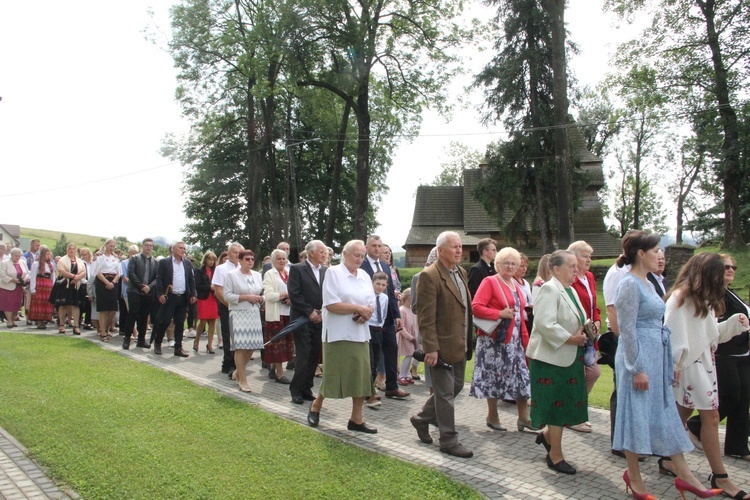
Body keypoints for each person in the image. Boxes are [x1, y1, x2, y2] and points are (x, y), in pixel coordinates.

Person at [612, 230, 720, 500]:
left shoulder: (649, 283)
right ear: (641, 253)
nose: (661, 254)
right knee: (636, 415)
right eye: (656, 249)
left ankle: (687, 477)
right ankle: (634, 477)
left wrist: (668, 361)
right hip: (637, 358)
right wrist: (637, 368)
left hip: (657, 356)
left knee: (664, 415)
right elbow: (627, 330)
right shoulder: (629, 284)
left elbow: (660, 325)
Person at [664, 252, 750, 499]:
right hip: (688, 367)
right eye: (719, 272)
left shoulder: (705, 300)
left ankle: (669, 460)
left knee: (680, 415)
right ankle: (720, 476)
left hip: (704, 364)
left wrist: (734, 323)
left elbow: (710, 336)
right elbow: (672, 337)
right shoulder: (680, 299)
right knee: (711, 417)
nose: (722, 277)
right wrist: (674, 367)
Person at [410, 231, 474, 458]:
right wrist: (431, 349)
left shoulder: (461, 272)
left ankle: (421, 418)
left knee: (455, 387)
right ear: (440, 250)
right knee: (446, 394)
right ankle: (448, 440)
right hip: (441, 346)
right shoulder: (429, 275)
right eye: (454, 247)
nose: (459, 250)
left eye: (460, 246)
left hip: (460, 344)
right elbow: (425, 318)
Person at [526, 250, 587, 475]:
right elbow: (544, 324)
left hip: (570, 357)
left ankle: (547, 437)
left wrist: (588, 328)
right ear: (556, 269)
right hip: (551, 360)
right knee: (556, 408)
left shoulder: (569, 290)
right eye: (571, 266)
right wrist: (571, 338)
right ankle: (555, 455)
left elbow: (577, 318)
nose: (576, 270)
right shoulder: (549, 289)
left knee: (567, 404)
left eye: (576, 266)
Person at [307, 240, 377, 433]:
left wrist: (366, 313)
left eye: (362, 256)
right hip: (338, 333)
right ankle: (316, 405)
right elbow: (331, 304)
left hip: (360, 333)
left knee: (361, 376)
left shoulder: (363, 275)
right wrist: (358, 308)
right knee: (333, 374)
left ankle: (356, 419)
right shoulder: (333, 273)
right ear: (344, 254)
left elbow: (371, 302)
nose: (360, 259)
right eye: (356, 255)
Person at [687, 254, 750, 463]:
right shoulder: (714, 296)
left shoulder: (730, 293)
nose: (730, 270)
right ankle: (695, 426)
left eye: (733, 266)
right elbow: (714, 328)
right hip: (724, 353)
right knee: (730, 394)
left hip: (742, 353)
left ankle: (737, 445)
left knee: (743, 399)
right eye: (725, 267)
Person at [471, 246, 535, 433]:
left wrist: (526, 340)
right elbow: (476, 307)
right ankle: (492, 415)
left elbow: (519, 317)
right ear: (497, 264)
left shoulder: (516, 285)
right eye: (506, 262)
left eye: (513, 263)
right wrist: (499, 313)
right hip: (494, 342)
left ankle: (524, 418)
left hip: (515, 342)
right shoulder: (490, 282)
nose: (510, 266)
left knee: (522, 377)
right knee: (494, 378)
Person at [360, 235, 409, 400]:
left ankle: (392, 387)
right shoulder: (362, 266)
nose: (377, 249)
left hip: (387, 318)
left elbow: (391, 292)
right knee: (372, 356)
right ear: (367, 247)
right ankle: (369, 391)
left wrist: (397, 314)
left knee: (391, 351)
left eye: (379, 246)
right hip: (369, 319)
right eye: (373, 245)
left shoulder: (386, 267)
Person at [567, 240, 602, 432]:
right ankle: (573, 415)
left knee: (593, 372)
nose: (588, 259)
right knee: (579, 375)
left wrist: (597, 321)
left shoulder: (589, 277)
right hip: (576, 334)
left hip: (590, 335)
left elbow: (594, 306)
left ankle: (576, 410)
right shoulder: (570, 278)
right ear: (574, 257)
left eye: (590, 256)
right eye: (584, 256)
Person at [288, 240, 327, 404]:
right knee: (304, 354)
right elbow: (294, 293)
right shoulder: (297, 269)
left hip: (320, 318)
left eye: (325, 252)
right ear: (311, 253)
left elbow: (329, 292)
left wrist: (322, 311)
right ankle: (296, 389)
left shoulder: (326, 271)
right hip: (302, 319)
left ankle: (306, 388)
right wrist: (309, 311)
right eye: (322, 252)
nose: (325, 255)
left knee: (314, 355)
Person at [223, 249, 264, 392]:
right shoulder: (232, 275)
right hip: (239, 313)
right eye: (247, 259)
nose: (250, 261)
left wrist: (261, 299)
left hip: (254, 313)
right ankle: (243, 379)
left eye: (252, 259)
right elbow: (227, 296)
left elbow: (261, 292)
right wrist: (245, 297)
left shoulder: (258, 275)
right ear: (239, 260)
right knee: (240, 346)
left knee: (251, 345)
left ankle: (237, 372)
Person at [151, 241, 197, 357]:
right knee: (165, 321)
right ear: (173, 249)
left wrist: (193, 294)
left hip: (182, 297)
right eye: (180, 248)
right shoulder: (164, 262)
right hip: (170, 296)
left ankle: (178, 348)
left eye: (184, 249)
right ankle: (158, 343)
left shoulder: (187, 264)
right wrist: (160, 294)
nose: (183, 250)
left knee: (180, 323)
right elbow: (159, 279)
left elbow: (191, 280)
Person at [262, 249, 294, 383]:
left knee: (286, 343)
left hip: (288, 313)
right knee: (278, 344)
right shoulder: (270, 274)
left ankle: (274, 369)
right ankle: (279, 373)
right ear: (273, 261)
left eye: (284, 258)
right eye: (279, 259)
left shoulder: (289, 273)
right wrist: (284, 296)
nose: (282, 261)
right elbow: (268, 295)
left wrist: (291, 298)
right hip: (276, 314)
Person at [213, 243, 243, 374]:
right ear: (228, 253)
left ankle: (237, 363)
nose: (237, 255)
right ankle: (229, 364)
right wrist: (229, 304)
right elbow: (218, 290)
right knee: (228, 335)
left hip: (242, 306)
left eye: (239, 253)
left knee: (239, 336)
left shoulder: (243, 267)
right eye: (234, 252)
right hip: (227, 306)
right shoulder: (221, 268)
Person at [123, 239, 157, 349]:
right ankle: (127, 338)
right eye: (146, 245)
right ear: (142, 246)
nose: (148, 247)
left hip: (148, 292)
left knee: (144, 316)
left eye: (150, 246)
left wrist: (149, 287)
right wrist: (141, 286)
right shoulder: (134, 258)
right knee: (133, 314)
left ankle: (141, 339)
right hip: (135, 290)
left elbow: (157, 278)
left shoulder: (155, 261)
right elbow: (131, 274)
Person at [54, 243, 87, 335]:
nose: (72, 250)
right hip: (65, 285)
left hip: (76, 285)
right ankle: (61, 325)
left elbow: (84, 271)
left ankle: (76, 326)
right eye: (70, 249)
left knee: (76, 305)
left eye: (73, 249)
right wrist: (73, 276)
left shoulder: (79, 261)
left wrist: (77, 278)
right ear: (67, 250)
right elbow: (61, 271)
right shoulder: (62, 260)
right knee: (63, 305)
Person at [92, 239, 120, 341]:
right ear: (106, 245)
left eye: (113, 246)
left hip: (113, 281)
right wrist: (106, 282)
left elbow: (118, 272)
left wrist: (112, 282)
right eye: (110, 246)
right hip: (102, 281)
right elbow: (97, 271)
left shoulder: (115, 258)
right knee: (103, 309)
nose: (111, 248)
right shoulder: (100, 257)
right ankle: (103, 332)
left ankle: (106, 327)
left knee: (113, 309)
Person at [194, 251, 219, 354]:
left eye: (213, 260)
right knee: (203, 320)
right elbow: (197, 285)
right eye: (210, 259)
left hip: (213, 299)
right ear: (205, 260)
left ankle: (209, 344)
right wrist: (209, 287)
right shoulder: (199, 271)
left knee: (213, 321)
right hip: (203, 298)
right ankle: (197, 341)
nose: (212, 262)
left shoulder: (216, 272)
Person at [0, 248, 30, 328]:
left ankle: (13, 320)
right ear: (12, 255)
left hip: (19, 287)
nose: (17, 258)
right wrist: (12, 280)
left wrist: (25, 278)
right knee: (8, 305)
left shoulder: (23, 262)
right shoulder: (4, 263)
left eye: (19, 256)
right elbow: (1, 273)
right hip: (7, 287)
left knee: (16, 305)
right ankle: (9, 321)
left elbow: (27, 272)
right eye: (16, 256)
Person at [28, 245, 55, 329]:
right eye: (47, 254)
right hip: (39, 285)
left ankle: (45, 320)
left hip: (48, 286)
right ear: (43, 255)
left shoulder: (50, 264)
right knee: (39, 303)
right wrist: (32, 288)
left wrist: (53, 287)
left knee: (47, 303)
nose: (48, 256)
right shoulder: (36, 264)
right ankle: (39, 322)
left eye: (49, 254)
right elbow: (33, 276)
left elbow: (52, 276)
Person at [397, 288, 419, 385]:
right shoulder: (402, 310)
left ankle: (404, 375)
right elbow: (401, 327)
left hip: (412, 336)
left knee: (411, 355)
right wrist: (410, 337)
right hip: (405, 337)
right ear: (410, 298)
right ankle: (401, 375)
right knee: (409, 355)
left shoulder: (412, 310)